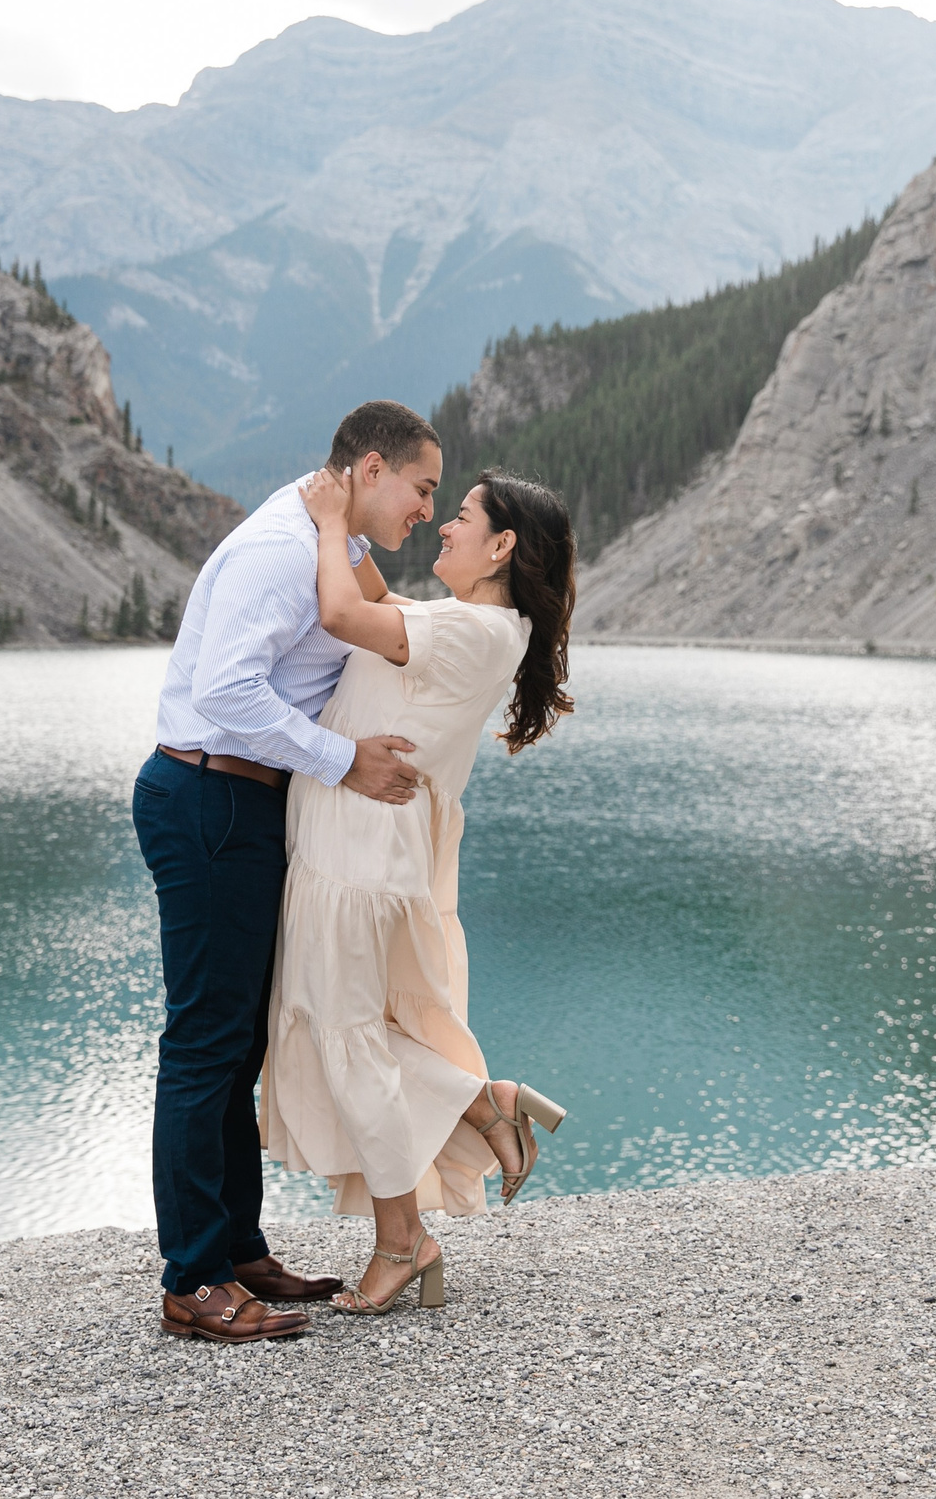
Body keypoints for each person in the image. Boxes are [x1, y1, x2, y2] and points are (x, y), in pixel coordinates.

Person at [134, 400, 447, 1343]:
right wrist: (345, 761)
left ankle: (235, 1249)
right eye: (422, 487)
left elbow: (375, 614)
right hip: (208, 797)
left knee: (237, 1041)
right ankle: (192, 1279)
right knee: (204, 1043)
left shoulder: (331, 538)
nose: (427, 510)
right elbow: (227, 691)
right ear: (370, 468)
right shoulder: (285, 549)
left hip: (240, 800)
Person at [261, 465, 578, 1315]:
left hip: (359, 860)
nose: (442, 525)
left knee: (349, 1040)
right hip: (347, 849)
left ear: (502, 546)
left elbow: (341, 613)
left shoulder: (474, 632)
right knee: (343, 1033)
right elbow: (376, 602)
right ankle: (486, 1103)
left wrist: (329, 522)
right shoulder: (469, 622)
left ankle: (405, 1241)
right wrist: (357, 525)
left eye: (461, 516)